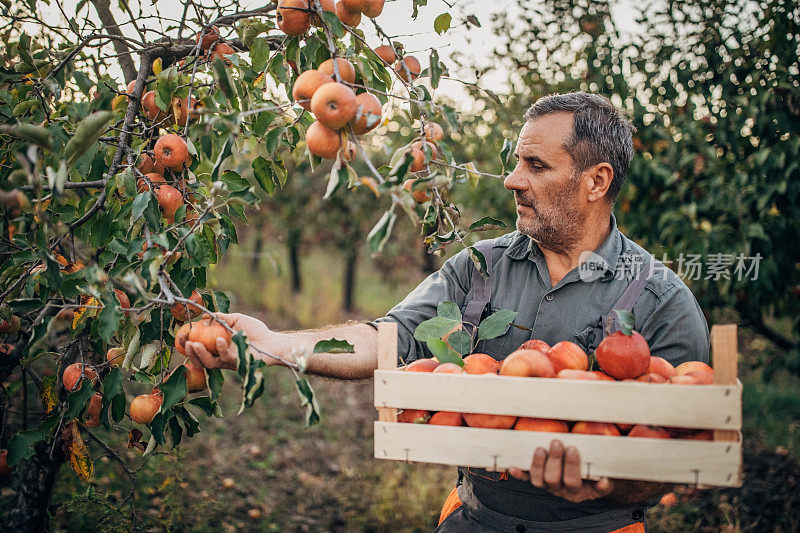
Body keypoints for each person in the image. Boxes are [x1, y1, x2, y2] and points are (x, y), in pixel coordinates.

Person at [183, 92, 710, 532]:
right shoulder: (479, 267)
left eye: (536, 166)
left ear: (596, 181)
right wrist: (275, 345)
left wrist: (610, 478)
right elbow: (386, 338)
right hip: (475, 518)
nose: (512, 181)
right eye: (515, 162)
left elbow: (682, 454)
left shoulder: (658, 298)